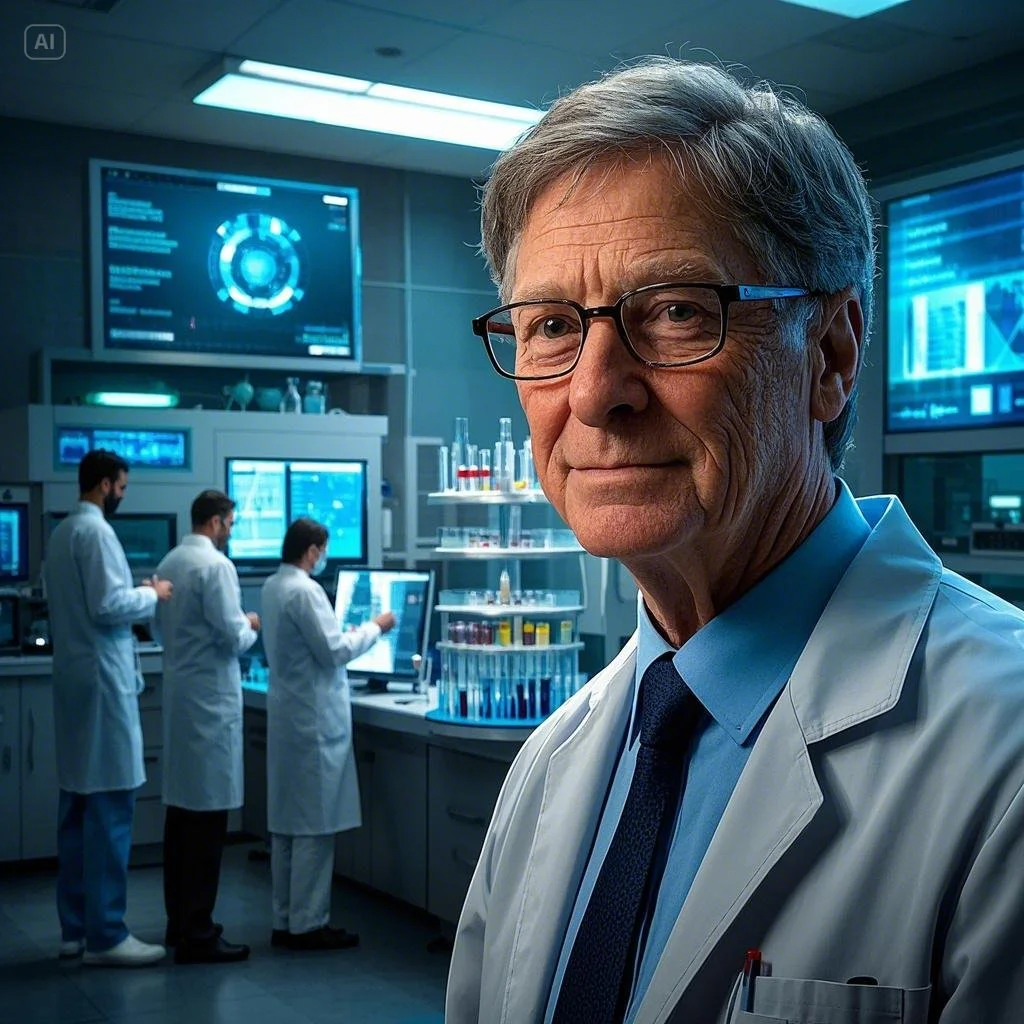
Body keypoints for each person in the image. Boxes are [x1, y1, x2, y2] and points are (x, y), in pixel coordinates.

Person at [446, 58, 1024, 1024]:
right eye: (550, 326)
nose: (595, 391)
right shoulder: (553, 765)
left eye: (675, 312)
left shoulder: (1002, 755)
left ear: (830, 356)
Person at [46, 449, 173, 967]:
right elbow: (107, 605)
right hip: (103, 686)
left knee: (77, 810)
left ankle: (75, 930)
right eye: (121, 486)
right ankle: (106, 935)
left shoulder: (60, 534)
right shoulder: (96, 533)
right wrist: (152, 593)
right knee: (109, 811)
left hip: (79, 685)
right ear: (103, 485)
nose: (123, 494)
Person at [260, 517, 396, 951]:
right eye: (323, 551)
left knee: (286, 828)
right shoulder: (305, 590)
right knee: (314, 830)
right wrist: (377, 626)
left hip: (290, 717)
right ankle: (310, 925)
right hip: (313, 725)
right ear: (313, 550)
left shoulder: (273, 586)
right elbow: (335, 651)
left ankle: (285, 919)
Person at [154, 489, 259, 964]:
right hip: (210, 708)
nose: (231, 532)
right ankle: (199, 932)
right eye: (231, 524)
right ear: (216, 522)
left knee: (180, 825)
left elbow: (159, 629)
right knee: (207, 829)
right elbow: (233, 635)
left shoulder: (172, 560)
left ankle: (179, 925)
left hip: (183, 701)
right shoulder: (216, 567)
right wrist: (252, 623)